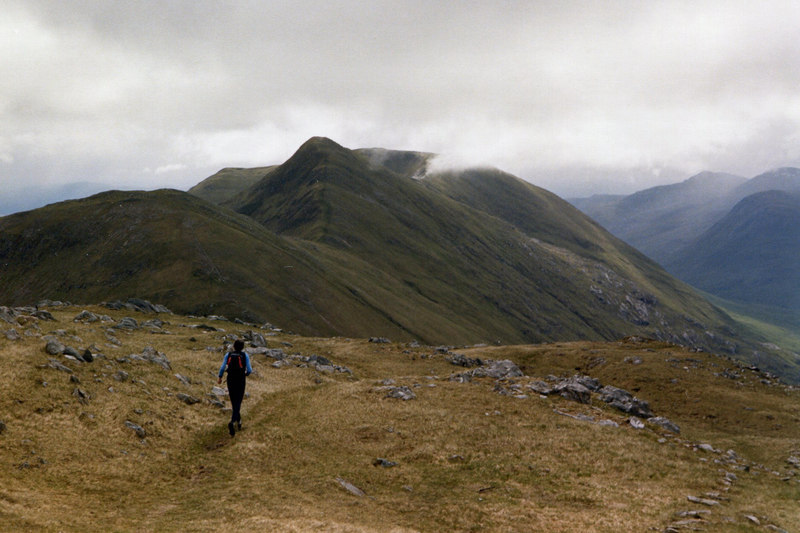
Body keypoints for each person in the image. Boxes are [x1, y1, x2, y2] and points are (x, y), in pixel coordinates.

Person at [217, 339, 252, 436]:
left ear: (234, 346)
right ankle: (233, 422)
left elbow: (222, 367)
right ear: (242, 347)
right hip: (240, 380)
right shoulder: (245, 355)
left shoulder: (228, 355)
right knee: (238, 401)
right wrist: (245, 374)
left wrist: (220, 377)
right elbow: (249, 370)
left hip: (230, 379)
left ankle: (239, 421)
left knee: (234, 401)